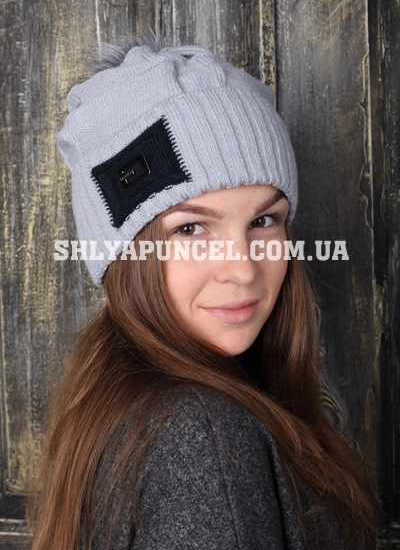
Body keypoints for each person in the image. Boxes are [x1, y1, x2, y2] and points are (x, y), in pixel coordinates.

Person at [28, 33, 377, 550]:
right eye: (190, 229)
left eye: (264, 220)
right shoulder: (204, 436)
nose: (242, 269)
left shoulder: (120, 396)